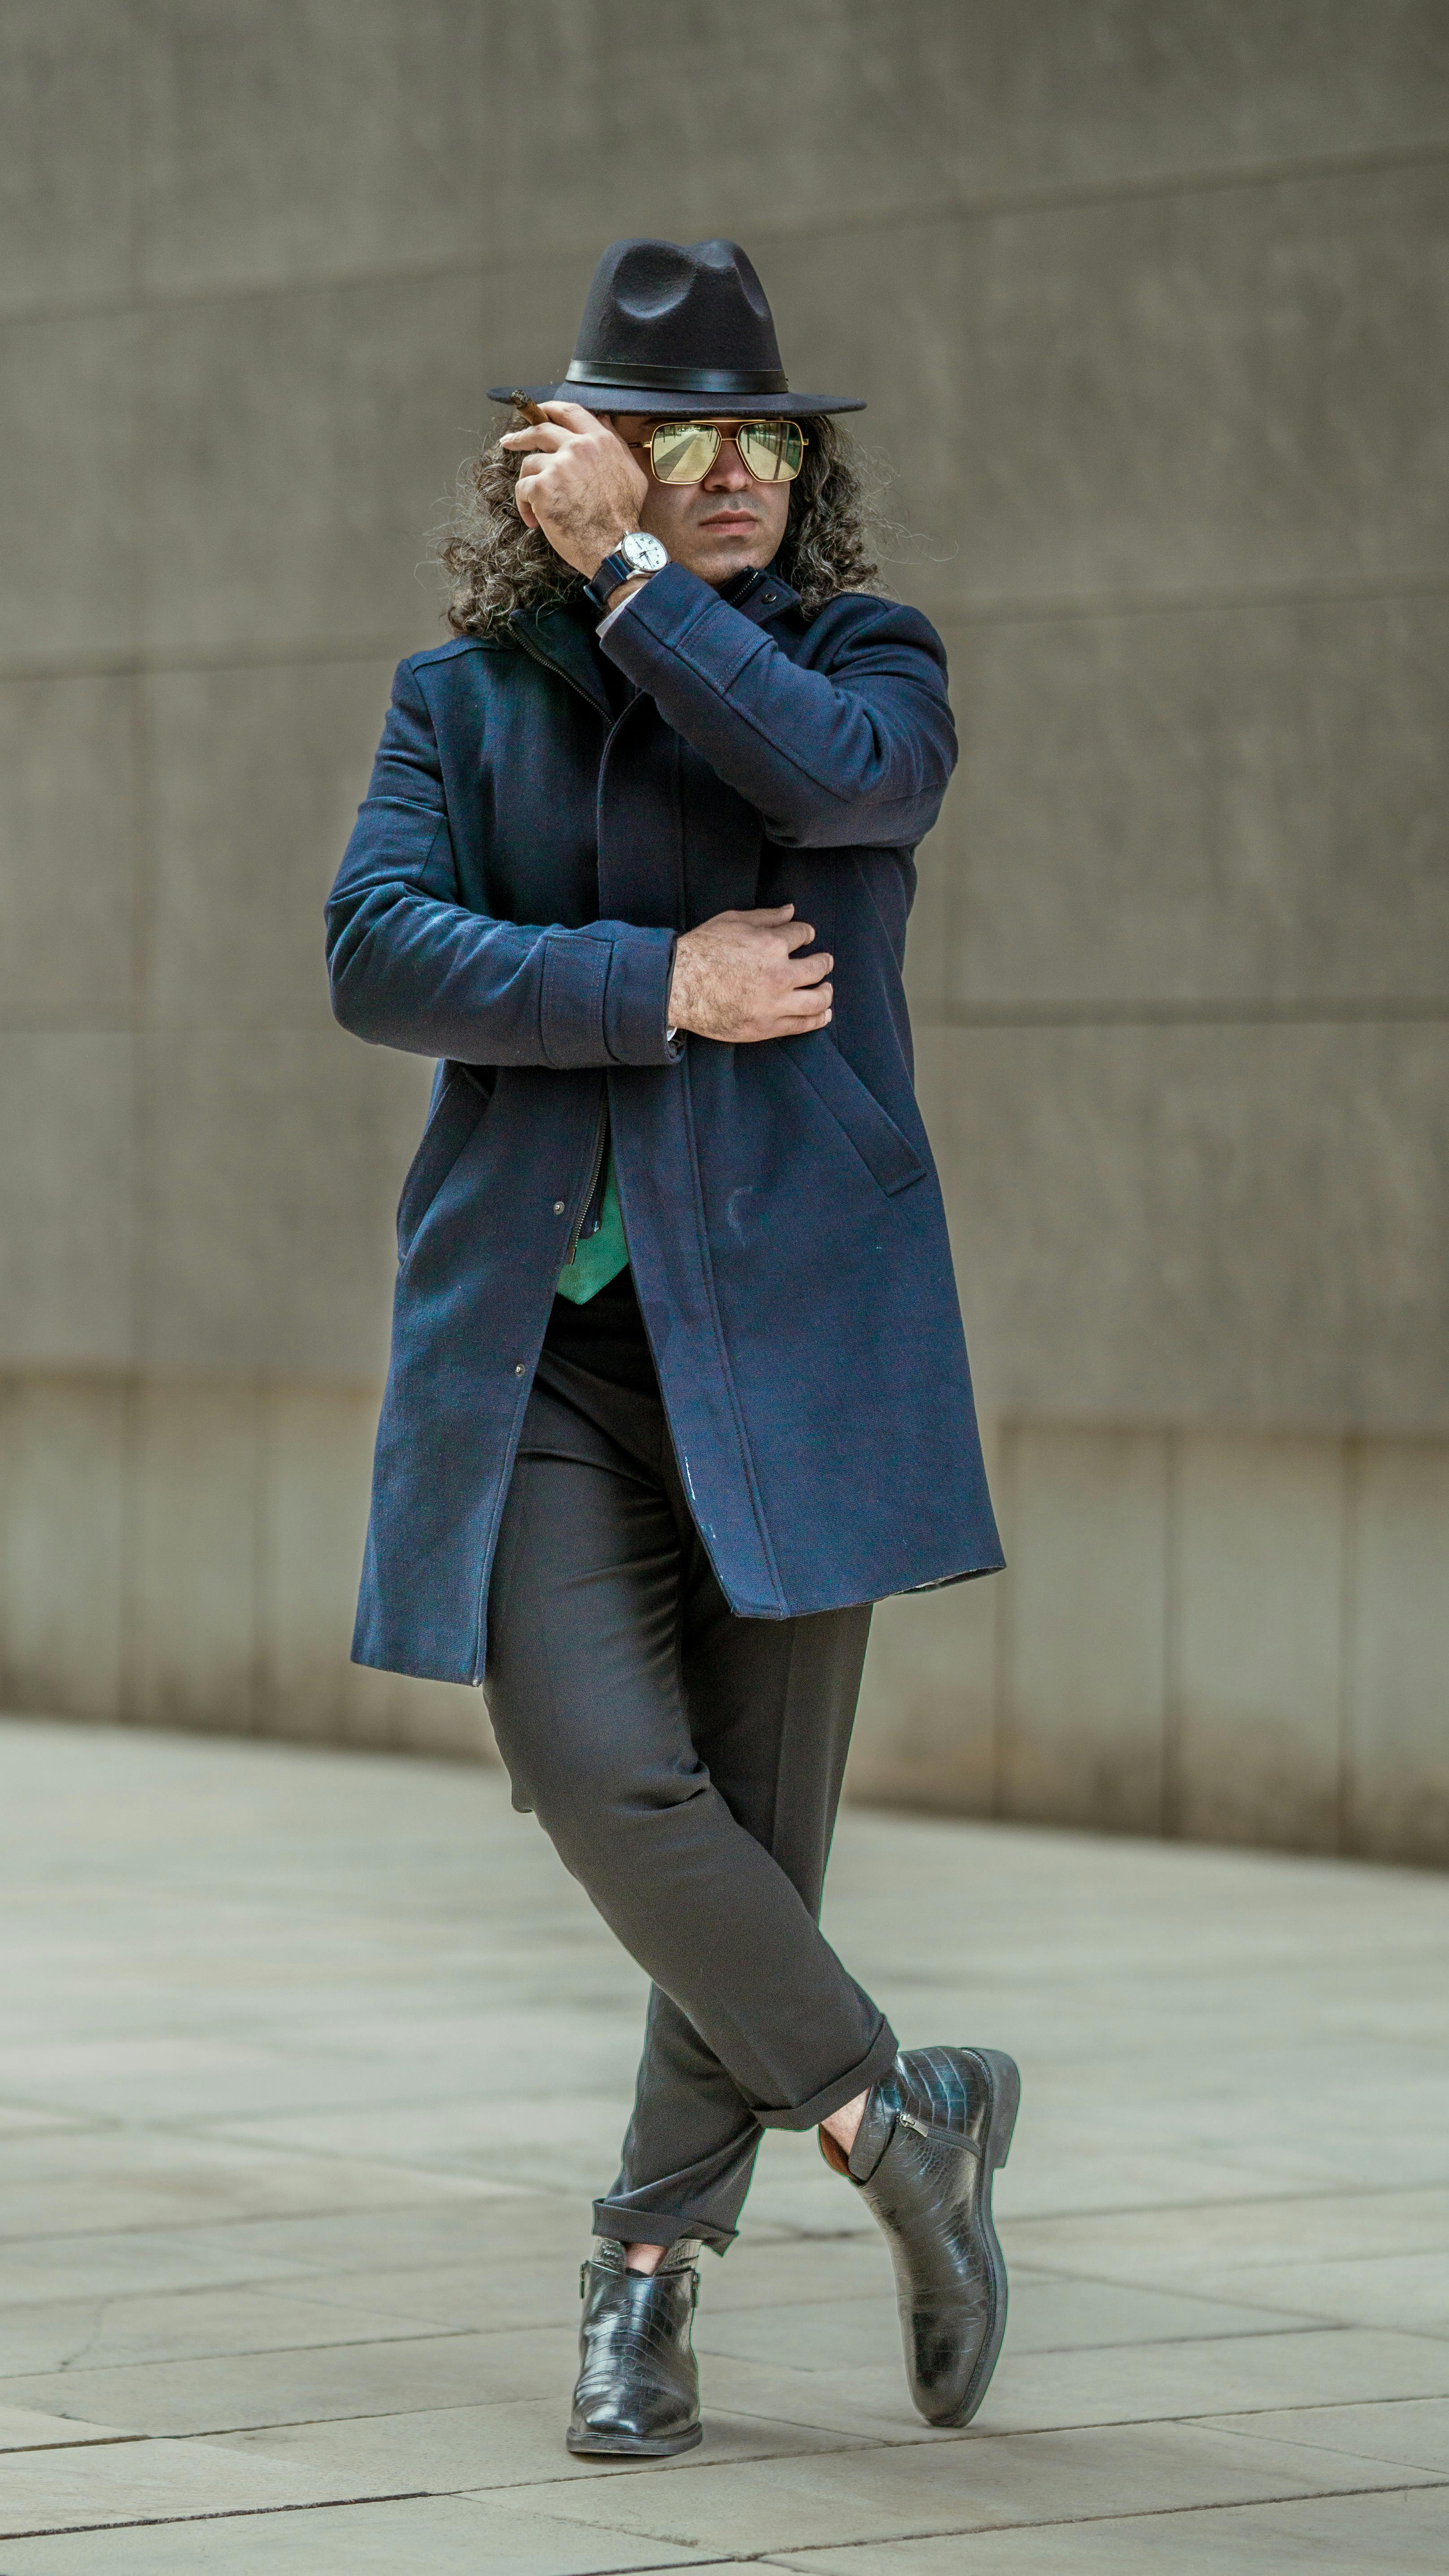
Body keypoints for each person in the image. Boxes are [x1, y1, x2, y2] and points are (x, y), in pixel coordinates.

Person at [327, 236, 1017, 2459]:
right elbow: (377, 950)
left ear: (790, 480)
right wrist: (653, 983)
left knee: (759, 1840)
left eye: (758, 445)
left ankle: (643, 2274)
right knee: (612, 1779)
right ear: (575, 450)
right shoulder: (464, 702)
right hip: (541, 1342)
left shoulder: (864, 660)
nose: (726, 474)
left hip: (797, 1340)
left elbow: (841, 786)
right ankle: (905, 2119)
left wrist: (635, 573)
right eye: (672, 442)